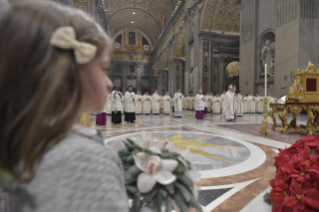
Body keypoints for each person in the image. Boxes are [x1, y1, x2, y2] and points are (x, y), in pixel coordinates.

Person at [0, 2, 129, 211]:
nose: (109, 82)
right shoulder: (86, 159)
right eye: (103, 68)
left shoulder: (26, 140)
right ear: (67, 73)